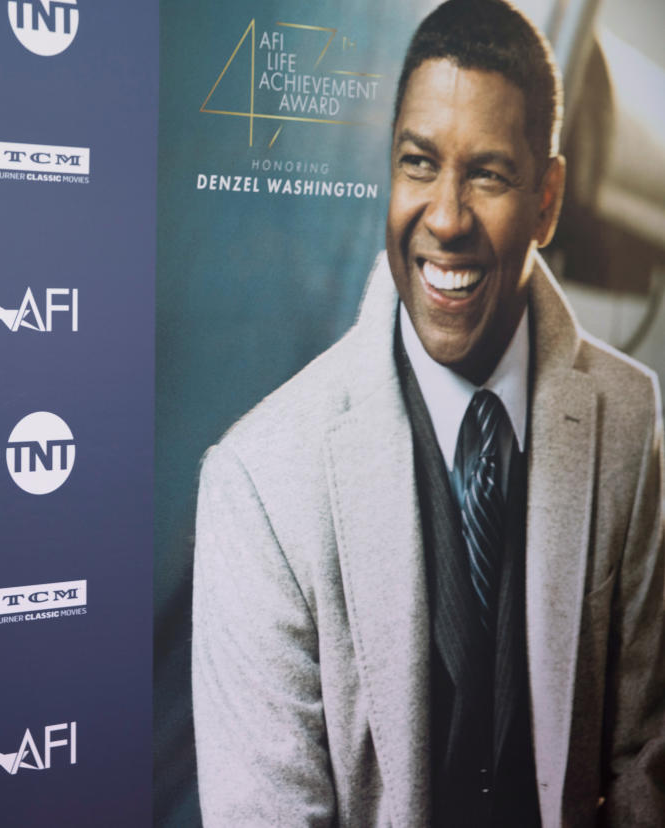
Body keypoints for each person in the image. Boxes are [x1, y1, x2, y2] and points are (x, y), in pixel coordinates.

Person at [191, 1, 665, 825]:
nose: (444, 219)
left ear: (547, 202)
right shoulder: (258, 483)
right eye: (418, 163)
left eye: (487, 174)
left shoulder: (627, 419)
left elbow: (641, 762)